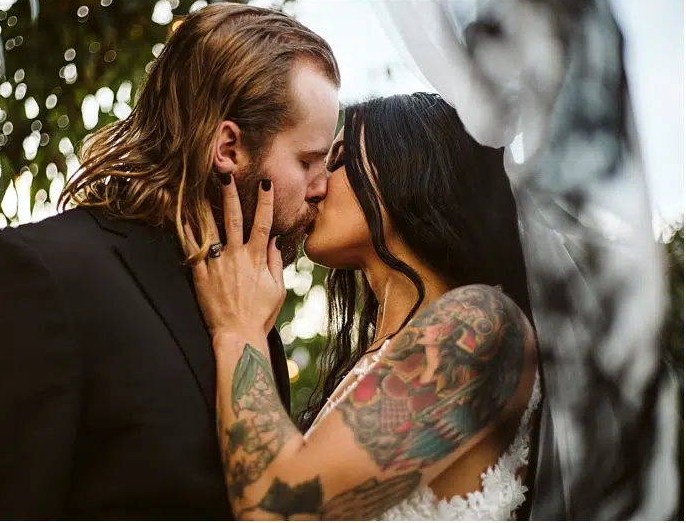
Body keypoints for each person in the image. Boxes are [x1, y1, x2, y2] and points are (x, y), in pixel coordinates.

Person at [0, 3, 340, 519]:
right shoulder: (32, 277)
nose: (322, 188)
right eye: (308, 161)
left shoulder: (252, 315)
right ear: (228, 147)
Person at [186, 92, 541, 520]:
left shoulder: (480, 327)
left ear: (407, 167)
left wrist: (237, 330)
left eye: (336, 161)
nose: (314, 187)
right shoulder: (387, 353)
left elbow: (278, 507)